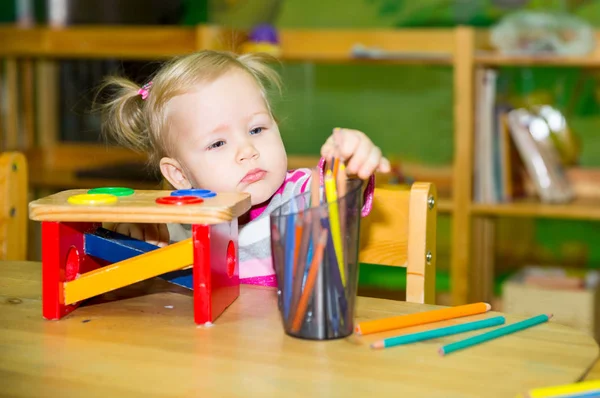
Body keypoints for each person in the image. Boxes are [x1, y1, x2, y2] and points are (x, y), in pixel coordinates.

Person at [98, 50, 389, 286]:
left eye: (257, 129)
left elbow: (337, 192)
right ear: (180, 175)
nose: (248, 151)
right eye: (218, 143)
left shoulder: (299, 198)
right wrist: (128, 242)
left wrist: (349, 167)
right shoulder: (176, 225)